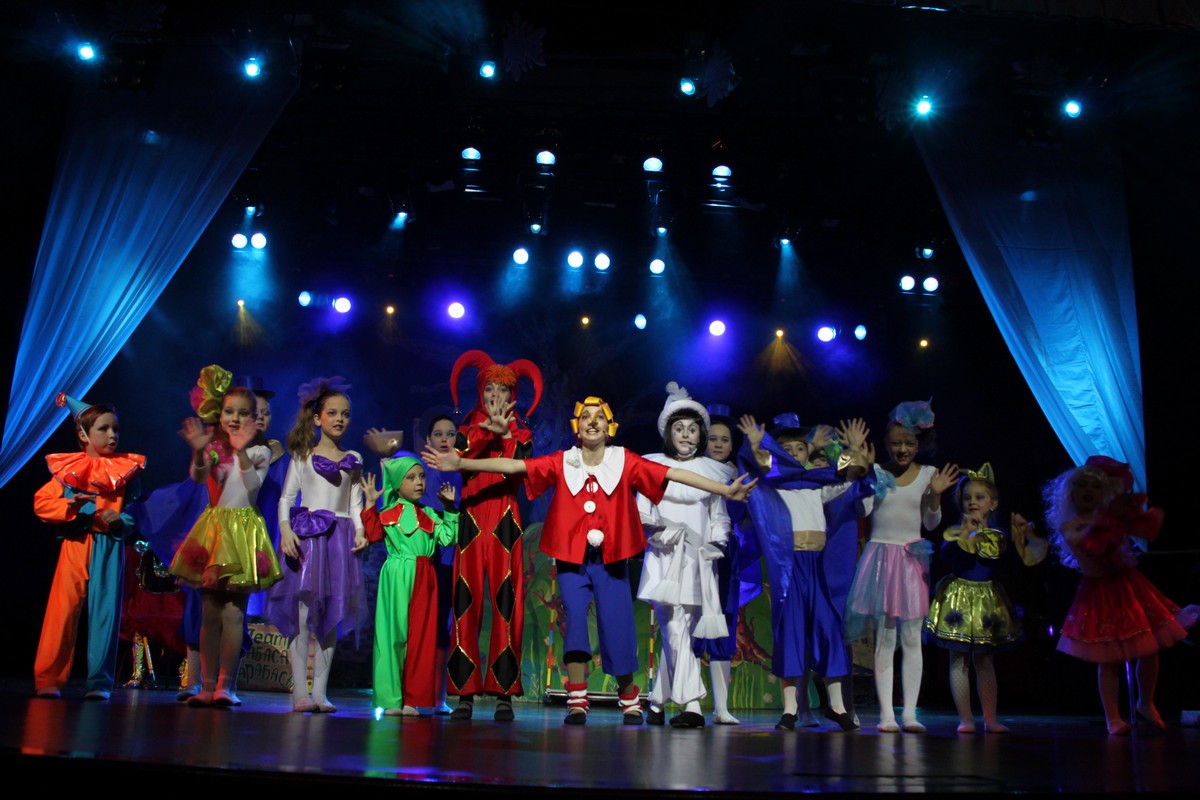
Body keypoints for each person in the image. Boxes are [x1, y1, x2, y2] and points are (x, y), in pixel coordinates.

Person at [423, 395, 757, 725]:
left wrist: (724, 490)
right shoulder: (564, 461)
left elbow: (672, 474)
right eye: (586, 417)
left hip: (611, 559)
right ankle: (577, 699)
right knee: (575, 625)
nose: (592, 422)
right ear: (577, 426)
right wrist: (462, 464)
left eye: (599, 417)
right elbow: (515, 466)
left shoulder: (624, 460)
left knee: (617, 624)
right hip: (572, 559)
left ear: (609, 427)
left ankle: (628, 696)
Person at [736, 413, 874, 731]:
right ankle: (790, 710)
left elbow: (850, 483)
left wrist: (853, 449)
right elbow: (752, 471)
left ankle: (837, 707)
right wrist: (754, 447)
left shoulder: (818, 485)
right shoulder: (771, 489)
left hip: (818, 567)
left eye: (800, 448)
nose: (795, 454)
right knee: (791, 632)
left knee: (828, 629)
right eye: (787, 449)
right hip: (788, 568)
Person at [1043, 457, 1198, 735]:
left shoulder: (1111, 518)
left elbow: (1144, 528)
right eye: (1082, 485)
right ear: (1070, 493)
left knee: (1150, 648)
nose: (1088, 490)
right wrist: (1109, 520)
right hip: (1098, 593)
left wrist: (1125, 514)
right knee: (1109, 658)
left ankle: (1145, 702)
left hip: (1128, 586)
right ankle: (1112, 717)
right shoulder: (1071, 525)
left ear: (1104, 493)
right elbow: (1091, 545)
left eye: (1095, 486)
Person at [168, 365, 283, 707]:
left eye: (243, 413)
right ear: (219, 415)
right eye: (229, 412)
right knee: (210, 612)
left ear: (253, 419)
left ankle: (226, 685)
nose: (235, 418)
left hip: (243, 531)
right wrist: (198, 451)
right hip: (215, 530)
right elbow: (198, 476)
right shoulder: (215, 448)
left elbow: (252, 485)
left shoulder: (261, 452)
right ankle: (205, 686)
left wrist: (242, 450)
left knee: (234, 613)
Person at [843, 400, 958, 733]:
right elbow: (864, 511)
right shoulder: (878, 472)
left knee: (911, 638)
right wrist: (864, 471)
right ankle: (887, 715)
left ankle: (909, 714)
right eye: (896, 443)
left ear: (919, 443)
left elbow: (931, 524)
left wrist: (935, 496)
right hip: (880, 560)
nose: (903, 449)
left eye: (909, 443)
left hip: (911, 561)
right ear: (886, 444)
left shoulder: (928, 474)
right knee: (885, 638)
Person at [445, 350, 543, 721]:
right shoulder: (468, 426)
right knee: (464, 604)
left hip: (505, 521)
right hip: (471, 518)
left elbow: (523, 466)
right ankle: (464, 693)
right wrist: (488, 432)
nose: (496, 397)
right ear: (480, 392)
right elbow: (459, 457)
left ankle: (504, 692)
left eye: (503, 391)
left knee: (507, 604)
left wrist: (505, 434)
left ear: (513, 395)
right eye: (490, 390)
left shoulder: (523, 431)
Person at [265, 376, 368, 713]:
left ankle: (321, 693)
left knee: (332, 614)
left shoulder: (353, 457)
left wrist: (360, 530)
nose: (340, 419)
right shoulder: (303, 455)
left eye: (345, 414)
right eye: (333, 413)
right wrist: (285, 529)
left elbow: (354, 503)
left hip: (339, 539)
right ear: (317, 417)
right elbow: (286, 498)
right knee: (302, 614)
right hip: (308, 536)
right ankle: (300, 691)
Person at [34, 392, 146, 700]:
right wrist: (70, 505)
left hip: (108, 546)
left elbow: (137, 511)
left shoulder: (125, 470)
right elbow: (42, 503)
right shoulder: (68, 469)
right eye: (103, 429)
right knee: (62, 611)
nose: (112, 435)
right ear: (84, 435)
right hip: (76, 542)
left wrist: (120, 520)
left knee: (104, 613)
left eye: (115, 429)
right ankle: (49, 678)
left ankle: (99, 682)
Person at [636, 382, 732, 729]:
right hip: (664, 558)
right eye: (679, 428)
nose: (686, 435)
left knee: (679, 634)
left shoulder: (712, 472)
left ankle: (657, 701)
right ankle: (693, 704)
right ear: (669, 433)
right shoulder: (652, 467)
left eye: (693, 429)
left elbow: (719, 516)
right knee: (673, 628)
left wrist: (717, 543)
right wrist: (659, 533)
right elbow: (643, 512)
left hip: (698, 560)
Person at [925, 464, 1047, 733]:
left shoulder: (999, 536)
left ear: (993, 503)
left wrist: (1022, 533)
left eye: (979, 497)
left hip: (986, 600)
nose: (972, 502)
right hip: (958, 598)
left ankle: (990, 718)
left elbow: (1015, 561)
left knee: (984, 659)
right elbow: (946, 556)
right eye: (967, 498)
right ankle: (966, 719)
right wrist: (965, 535)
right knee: (958, 659)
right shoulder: (954, 533)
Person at [360, 457, 459, 715]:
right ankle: (391, 698)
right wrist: (370, 504)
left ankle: (412, 699)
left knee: (421, 638)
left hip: (425, 575)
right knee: (392, 635)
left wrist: (450, 509)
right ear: (397, 483)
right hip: (396, 574)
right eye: (411, 478)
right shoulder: (388, 513)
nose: (419, 483)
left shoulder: (430, 514)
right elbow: (373, 535)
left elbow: (449, 538)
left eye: (422, 477)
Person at [698, 403, 755, 725]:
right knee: (691, 626)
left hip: (726, 559)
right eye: (713, 438)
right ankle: (688, 701)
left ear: (732, 445)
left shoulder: (739, 478)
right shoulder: (692, 472)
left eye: (724, 439)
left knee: (723, 626)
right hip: (694, 555)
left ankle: (721, 707)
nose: (718, 444)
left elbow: (746, 519)